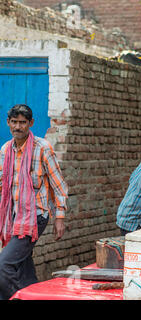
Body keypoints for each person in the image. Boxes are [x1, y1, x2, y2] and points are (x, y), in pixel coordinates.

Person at [0, 104, 68, 300]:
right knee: (23, 266)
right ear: (8, 123)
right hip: (14, 217)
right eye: (14, 122)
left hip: (35, 217)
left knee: (4, 265)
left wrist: (59, 218)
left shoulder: (43, 148)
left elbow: (59, 185)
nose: (18, 127)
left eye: (23, 122)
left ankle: (15, 297)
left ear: (31, 123)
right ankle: (34, 294)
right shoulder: (5, 150)